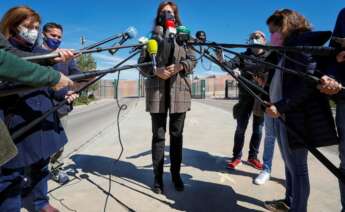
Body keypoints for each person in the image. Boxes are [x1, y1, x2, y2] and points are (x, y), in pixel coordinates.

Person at [0, 6, 77, 212]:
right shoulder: (5, 52)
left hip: (43, 118)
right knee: (11, 177)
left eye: (35, 26)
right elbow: (11, 72)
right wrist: (47, 74)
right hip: (17, 122)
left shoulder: (41, 53)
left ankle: (39, 202)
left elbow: (52, 87)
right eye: (27, 26)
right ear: (12, 26)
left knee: (41, 166)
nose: (32, 31)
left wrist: (65, 94)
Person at [263, 9, 338, 212]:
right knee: (289, 165)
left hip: (295, 116)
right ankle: (289, 201)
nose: (272, 36)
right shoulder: (286, 50)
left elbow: (305, 85)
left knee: (298, 169)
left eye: (273, 31)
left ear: (285, 26)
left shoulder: (302, 47)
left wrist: (280, 106)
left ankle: (298, 208)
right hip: (281, 114)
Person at [138, 1, 196, 194]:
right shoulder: (151, 38)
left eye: (170, 12)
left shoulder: (184, 36)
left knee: (177, 136)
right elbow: (142, 65)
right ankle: (157, 178)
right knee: (158, 136)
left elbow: (192, 60)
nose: (167, 15)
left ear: (176, 15)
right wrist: (156, 70)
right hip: (157, 92)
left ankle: (176, 174)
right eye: (163, 12)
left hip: (179, 91)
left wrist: (180, 66)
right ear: (158, 15)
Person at [37, 22, 83, 184]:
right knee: (37, 143)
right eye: (53, 36)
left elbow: (77, 74)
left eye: (59, 37)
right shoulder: (35, 54)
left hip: (61, 107)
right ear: (44, 34)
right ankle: (36, 174)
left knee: (59, 142)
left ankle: (56, 169)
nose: (56, 39)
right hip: (40, 106)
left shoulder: (65, 57)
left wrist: (75, 87)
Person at [217, 31, 266, 170]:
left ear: (264, 39)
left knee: (258, 129)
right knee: (240, 128)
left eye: (257, 36)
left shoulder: (270, 56)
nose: (254, 38)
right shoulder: (243, 56)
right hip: (245, 97)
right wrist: (220, 57)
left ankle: (253, 157)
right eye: (252, 37)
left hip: (260, 98)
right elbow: (226, 66)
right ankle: (236, 157)